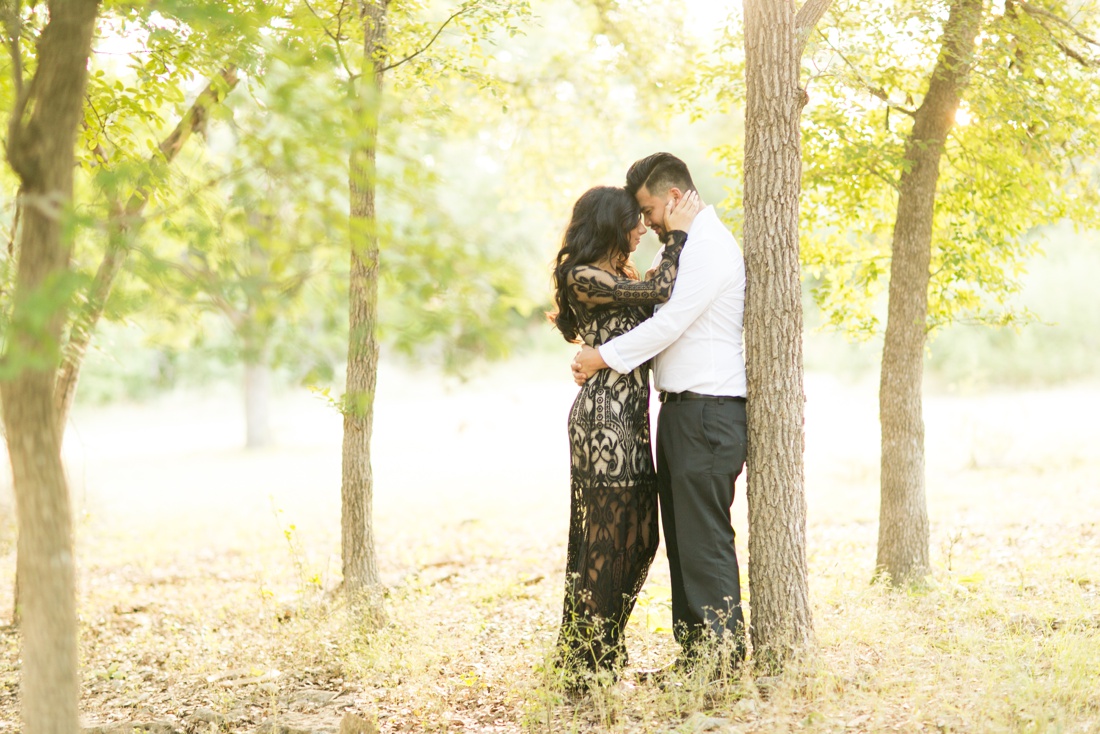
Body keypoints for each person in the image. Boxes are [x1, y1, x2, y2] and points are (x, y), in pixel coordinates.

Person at [571, 153, 748, 675]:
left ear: (673, 199)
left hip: (707, 412)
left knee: (704, 540)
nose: (644, 222)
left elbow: (668, 322)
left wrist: (602, 356)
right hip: (680, 412)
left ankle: (720, 660)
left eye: (648, 209)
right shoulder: (689, 245)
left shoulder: (709, 247)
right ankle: (696, 655)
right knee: (684, 542)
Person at [550, 184, 702, 684]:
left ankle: (599, 647)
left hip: (632, 421)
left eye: (645, 220)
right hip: (601, 423)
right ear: (610, 224)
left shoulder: (618, 274)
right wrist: (676, 238)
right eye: (634, 222)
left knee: (640, 539)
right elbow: (660, 292)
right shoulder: (582, 275)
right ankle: (587, 665)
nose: (641, 228)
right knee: (604, 540)